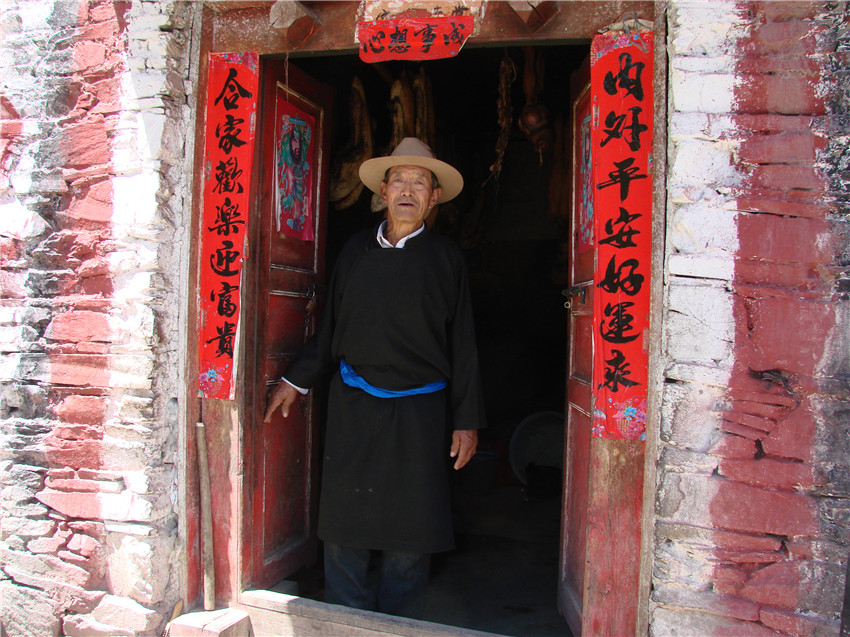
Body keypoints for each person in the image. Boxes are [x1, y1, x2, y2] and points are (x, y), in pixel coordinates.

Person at [264, 137, 485, 618]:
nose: (407, 190)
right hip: (355, 404)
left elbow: (464, 346)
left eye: (419, 183)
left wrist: (466, 421)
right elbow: (331, 328)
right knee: (346, 520)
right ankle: (344, 620)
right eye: (398, 181)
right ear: (383, 192)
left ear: (434, 197)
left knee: (411, 526)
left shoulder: (446, 259)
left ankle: (399, 623)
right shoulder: (356, 251)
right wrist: (295, 380)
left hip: (421, 411)